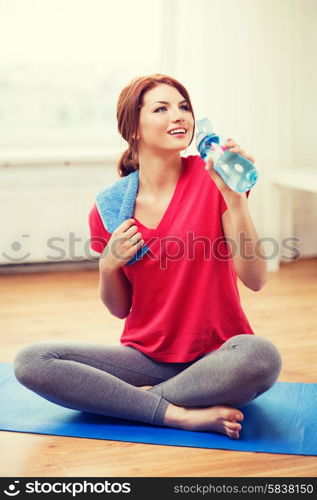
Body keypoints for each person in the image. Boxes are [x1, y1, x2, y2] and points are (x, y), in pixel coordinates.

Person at [14, 74, 282, 440]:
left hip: (218, 359)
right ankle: (177, 414)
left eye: (184, 107)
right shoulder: (111, 206)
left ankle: (132, 405)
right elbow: (119, 309)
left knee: (261, 356)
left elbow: (256, 279)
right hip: (147, 358)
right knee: (32, 361)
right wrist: (108, 264)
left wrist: (235, 198)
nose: (180, 116)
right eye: (162, 108)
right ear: (133, 129)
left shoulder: (213, 180)